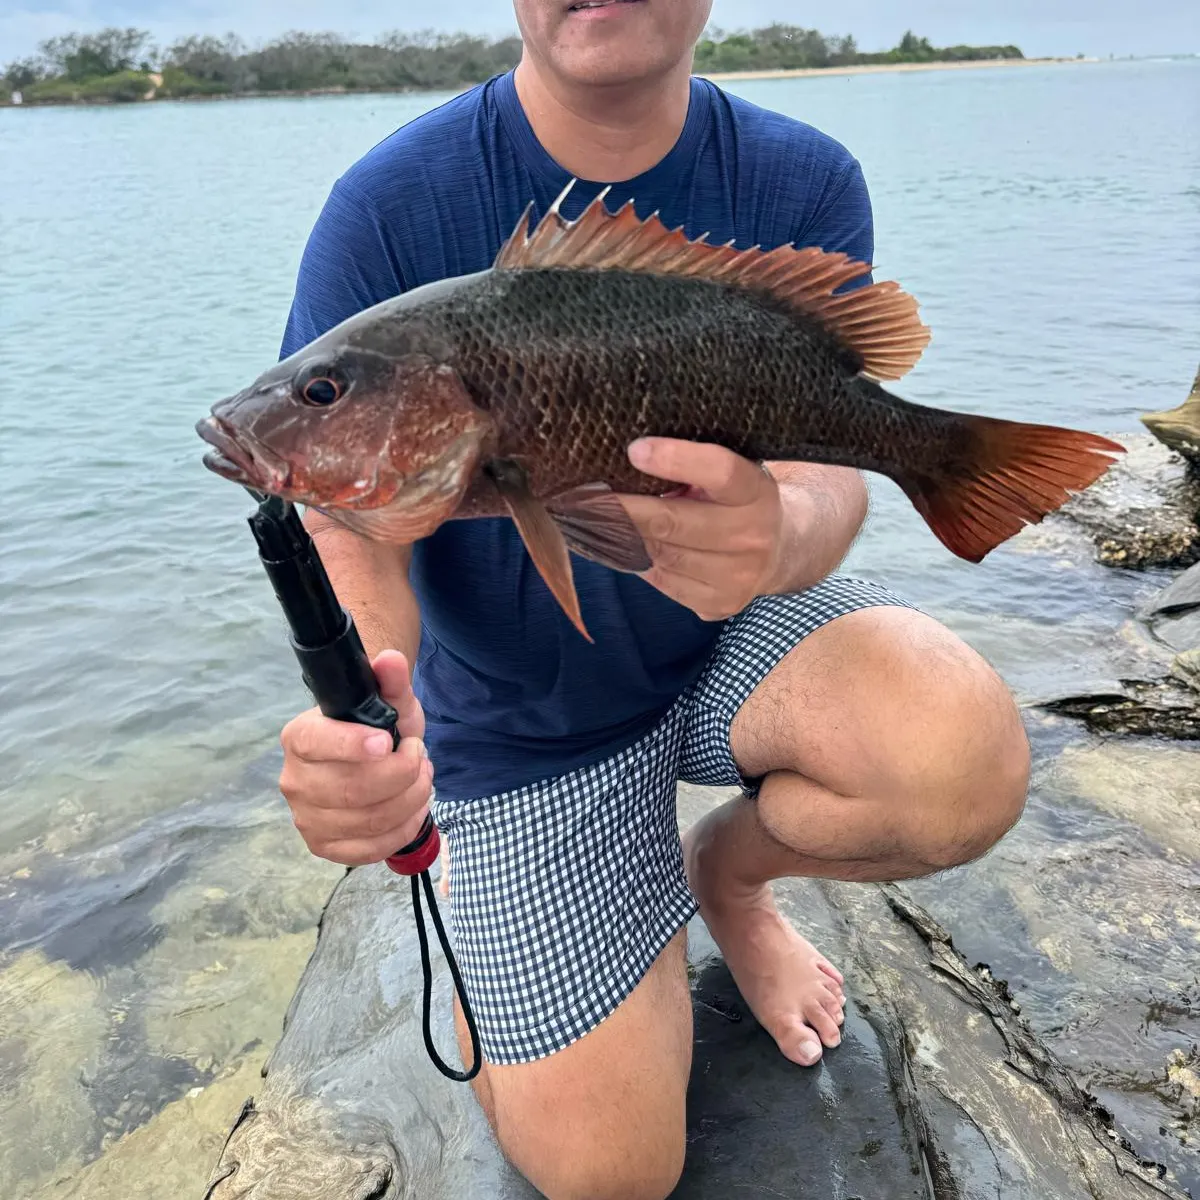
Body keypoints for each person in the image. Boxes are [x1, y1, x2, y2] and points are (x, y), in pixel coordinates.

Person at [275, 2, 1031, 1197]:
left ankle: (725, 878)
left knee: (957, 756)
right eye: (316, 394)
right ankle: (522, 909)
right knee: (611, 1174)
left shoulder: (800, 177)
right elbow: (345, 518)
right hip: (527, 727)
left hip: (732, 651)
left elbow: (829, 470)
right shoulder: (388, 206)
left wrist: (778, 534)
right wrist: (373, 715)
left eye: (318, 395)